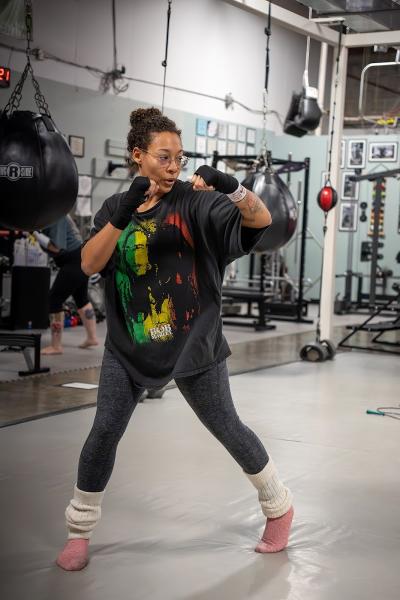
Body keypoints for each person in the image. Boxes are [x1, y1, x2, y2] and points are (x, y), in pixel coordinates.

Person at [56, 107, 294, 571]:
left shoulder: (195, 202)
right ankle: (78, 530)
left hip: (193, 344)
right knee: (104, 431)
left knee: (227, 428)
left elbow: (260, 221)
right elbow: (86, 264)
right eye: (164, 157)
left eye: (179, 158)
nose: (173, 166)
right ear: (137, 156)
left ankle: (280, 508)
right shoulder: (115, 208)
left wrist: (234, 188)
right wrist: (122, 214)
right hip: (128, 345)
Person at [36, 215, 99, 354]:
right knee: (81, 298)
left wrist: (34, 233)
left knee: (54, 299)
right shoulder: (54, 212)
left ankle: (56, 346)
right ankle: (92, 337)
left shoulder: (56, 215)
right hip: (79, 257)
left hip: (73, 260)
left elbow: (56, 247)